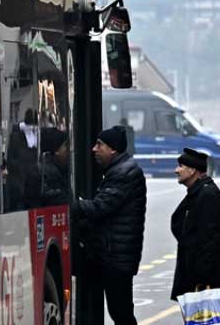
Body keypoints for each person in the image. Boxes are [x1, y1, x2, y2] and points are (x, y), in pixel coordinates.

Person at [72, 126, 146, 325]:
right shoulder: (120, 170)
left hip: (116, 257)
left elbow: (100, 207)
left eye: (99, 145)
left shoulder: (123, 173)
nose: (94, 149)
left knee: (121, 312)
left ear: (113, 149)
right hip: (112, 254)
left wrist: (73, 203)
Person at [170, 148, 220, 303]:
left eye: (180, 166)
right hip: (194, 275)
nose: (176, 170)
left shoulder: (207, 195)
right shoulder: (196, 192)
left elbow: (210, 240)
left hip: (202, 280)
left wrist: (202, 279)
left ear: (193, 170)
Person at [33, 128, 70, 206]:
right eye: (65, 146)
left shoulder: (60, 168)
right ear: (56, 150)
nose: (69, 150)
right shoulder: (46, 173)